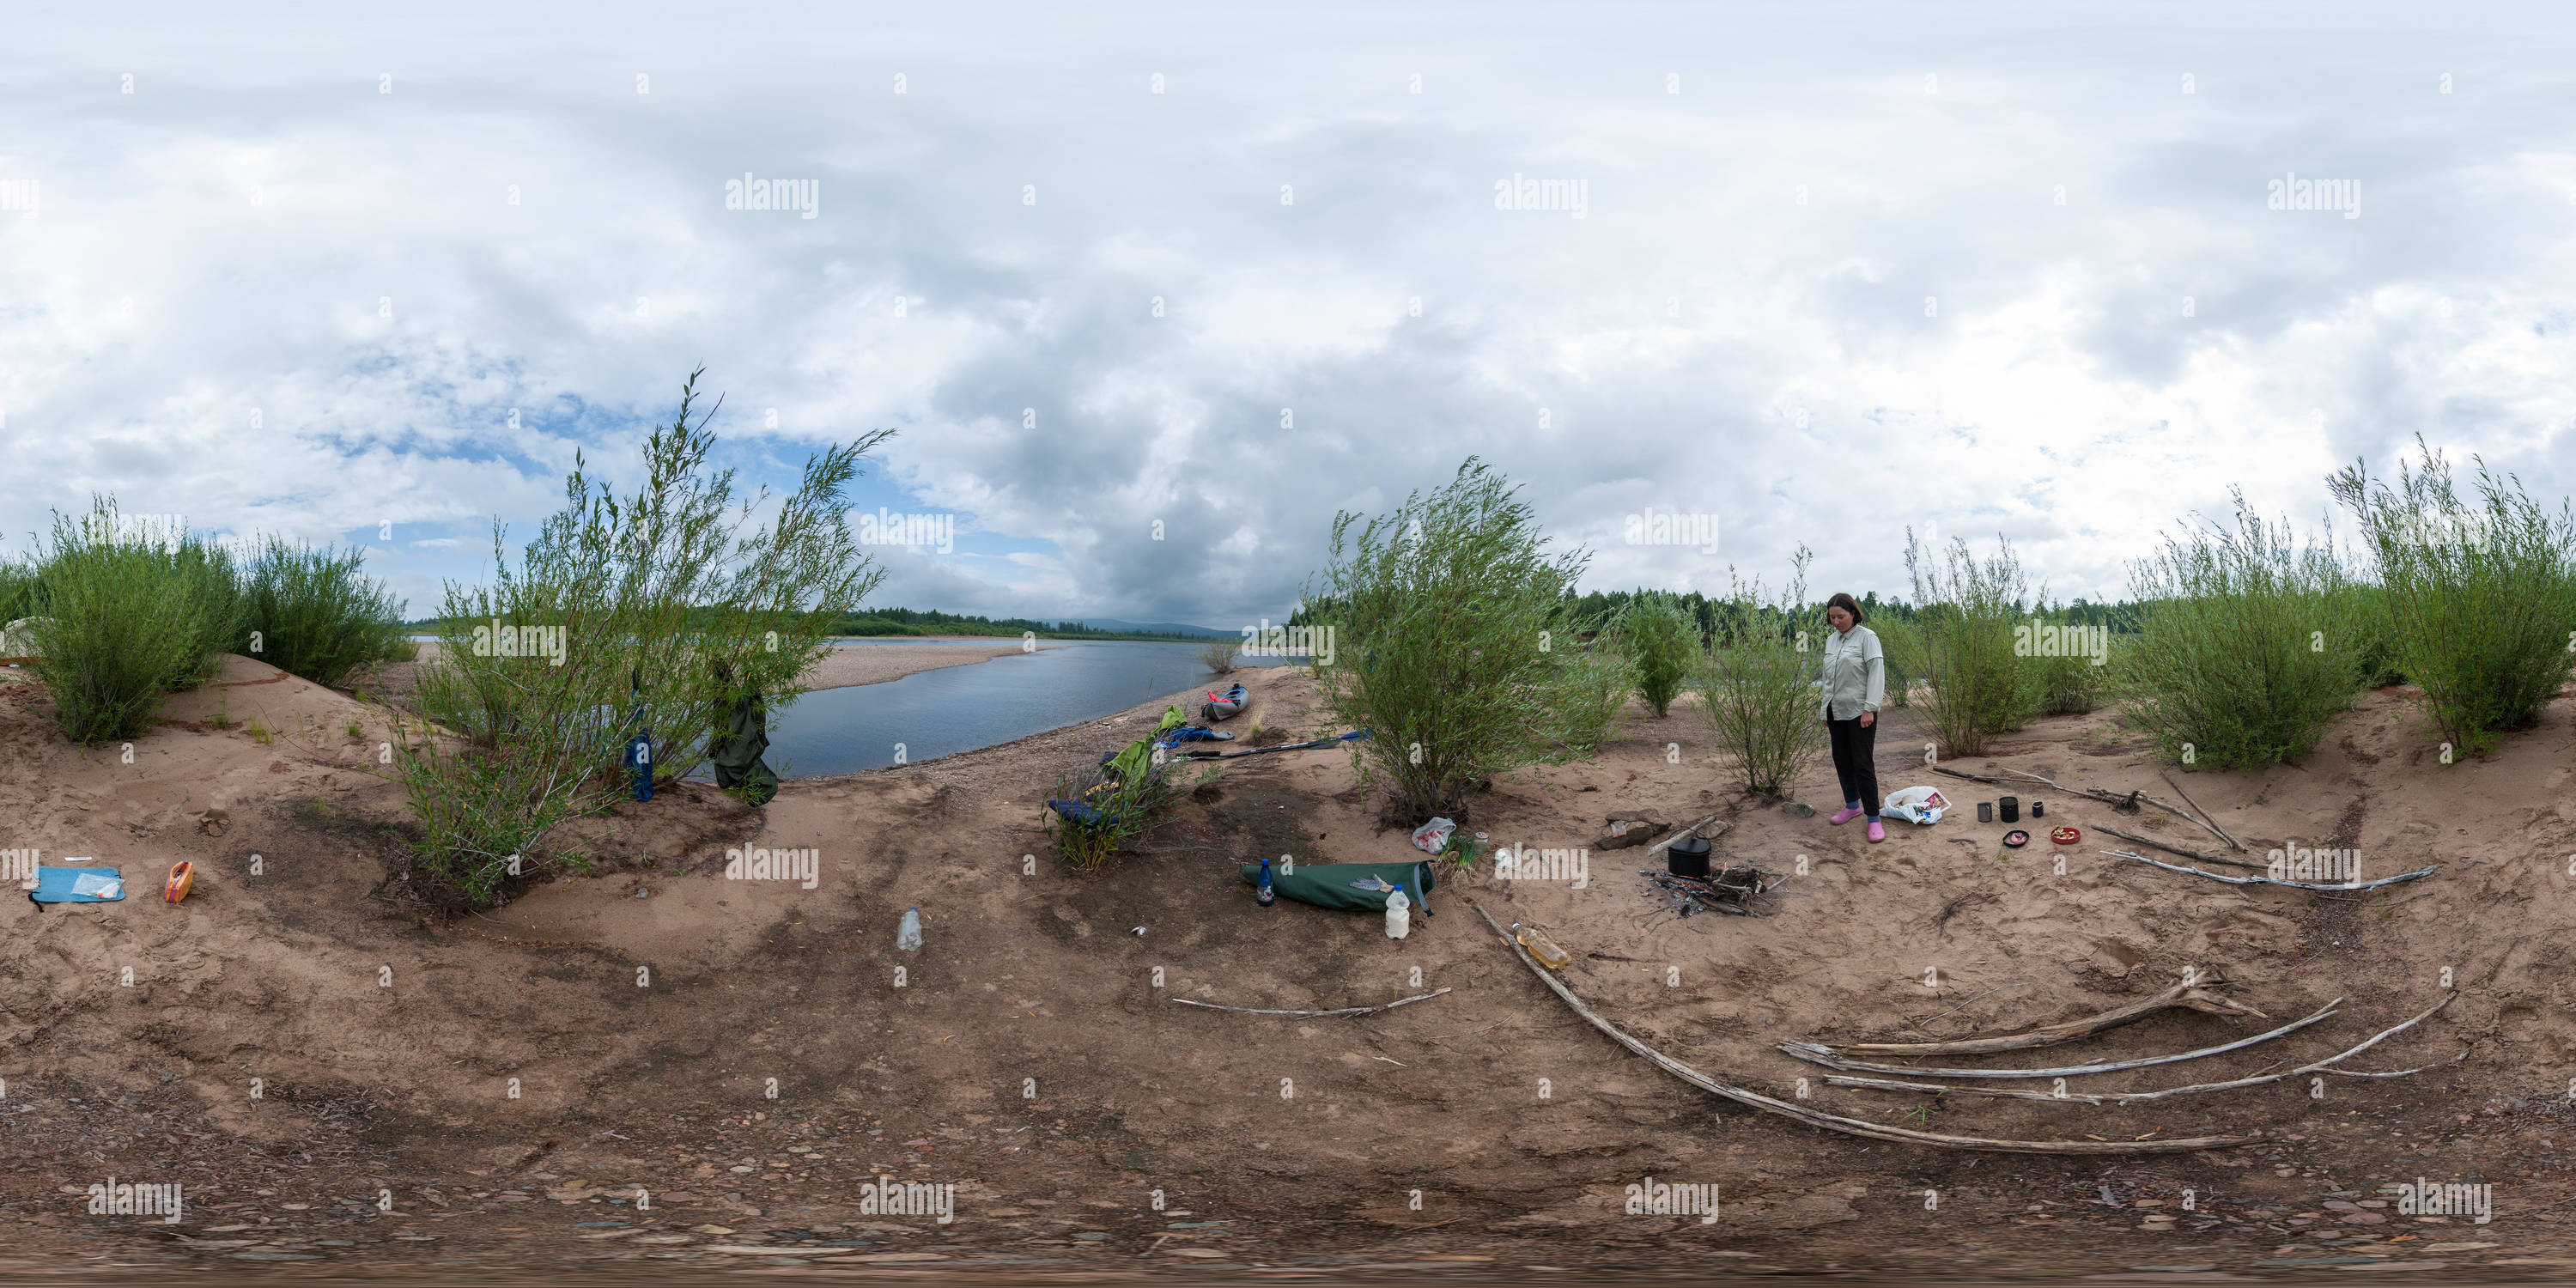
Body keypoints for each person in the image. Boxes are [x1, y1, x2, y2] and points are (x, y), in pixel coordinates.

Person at [1819, 592, 1886, 843]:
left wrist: (1870, 708)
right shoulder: (1831, 641)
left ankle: (1873, 818)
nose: (1836, 621)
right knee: (1841, 760)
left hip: (1860, 712)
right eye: (1832, 617)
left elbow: (1876, 673)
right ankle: (1851, 805)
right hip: (1835, 711)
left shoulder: (1867, 638)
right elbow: (1828, 680)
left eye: (1841, 616)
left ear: (1854, 614)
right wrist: (1824, 708)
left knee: (1862, 764)